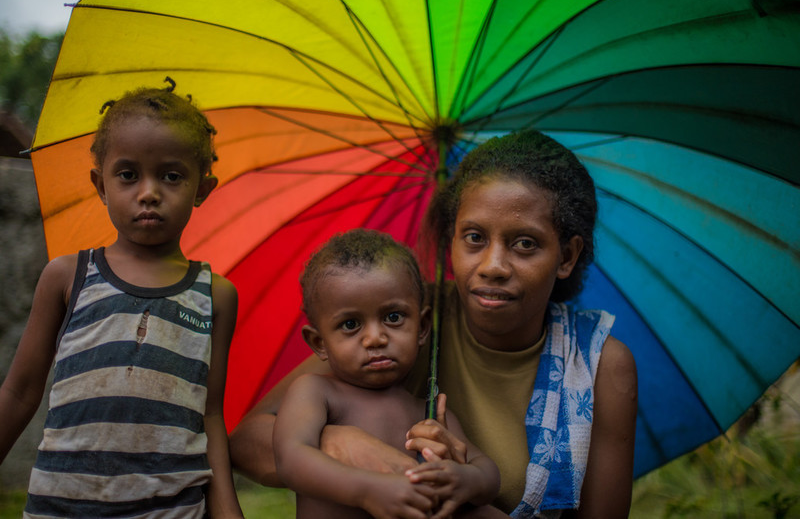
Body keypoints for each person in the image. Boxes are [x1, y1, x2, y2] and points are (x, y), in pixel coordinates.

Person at [230, 130, 638, 518]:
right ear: (452, 240)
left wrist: (456, 488)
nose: (492, 266)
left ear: (566, 256)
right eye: (474, 237)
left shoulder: (597, 368)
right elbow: (249, 441)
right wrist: (346, 445)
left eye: (525, 244)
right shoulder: (398, 320)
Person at [0, 82, 244, 518]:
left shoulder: (216, 295)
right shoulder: (66, 276)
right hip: (61, 508)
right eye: (128, 174)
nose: (148, 192)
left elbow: (208, 417)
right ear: (101, 184)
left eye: (171, 175)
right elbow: (19, 393)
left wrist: (228, 512)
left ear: (202, 188)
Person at [274, 229, 500, 518]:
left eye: (393, 317)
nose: (375, 338)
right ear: (319, 343)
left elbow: (487, 472)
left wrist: (465, 479)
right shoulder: (316, 392)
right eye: (350, 324)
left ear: (422, 327)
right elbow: (291, 459)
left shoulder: (427, 411)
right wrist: (368, 490)